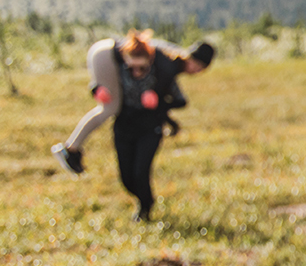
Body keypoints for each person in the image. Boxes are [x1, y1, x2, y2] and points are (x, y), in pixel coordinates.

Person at [52, 32, 213, 176]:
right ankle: (70, 149)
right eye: (196, 65)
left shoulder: (170, 59)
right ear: (189, 57)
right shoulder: (169, 62)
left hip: (106, 51)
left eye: (201, 69)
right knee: (110, 107)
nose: (196, 71)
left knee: (113, 105)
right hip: (106, 55)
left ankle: (71, 149)